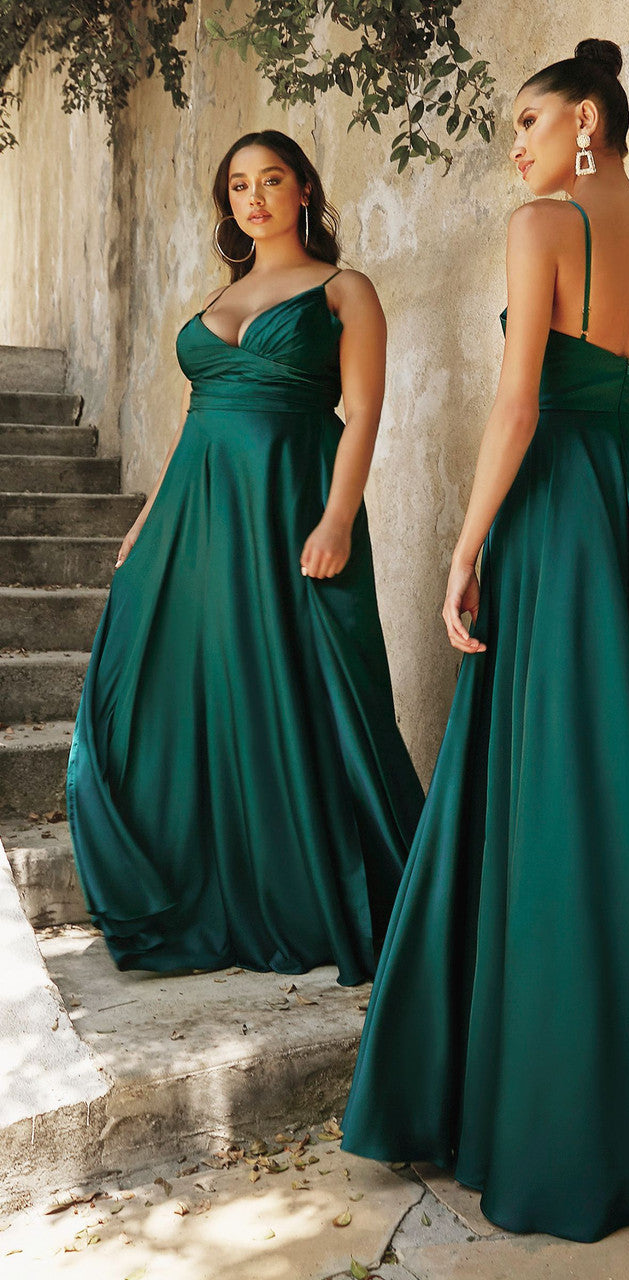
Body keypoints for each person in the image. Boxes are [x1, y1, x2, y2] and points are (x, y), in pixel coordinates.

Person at [341, 40, 629, 1239]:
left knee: (557, 793)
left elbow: (519, 401)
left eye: (529, 122)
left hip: (557, 519)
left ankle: (565, 1109)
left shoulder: (543, 226)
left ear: (587, 120)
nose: (520, 147)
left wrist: (467, 540)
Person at [66, 130, 424, 983]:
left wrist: (337, 518)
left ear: (305, 190)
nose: (253, 196)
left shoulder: (344, 290)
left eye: (271, 180)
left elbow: (364, 413)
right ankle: (204, 887)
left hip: (293, 509)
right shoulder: (217, 296)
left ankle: (316, 893)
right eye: (237, 184)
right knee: (178, 689)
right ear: (227, 202)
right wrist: (149, 516)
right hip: (198, 518)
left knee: (307, 692)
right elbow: (194, 421)